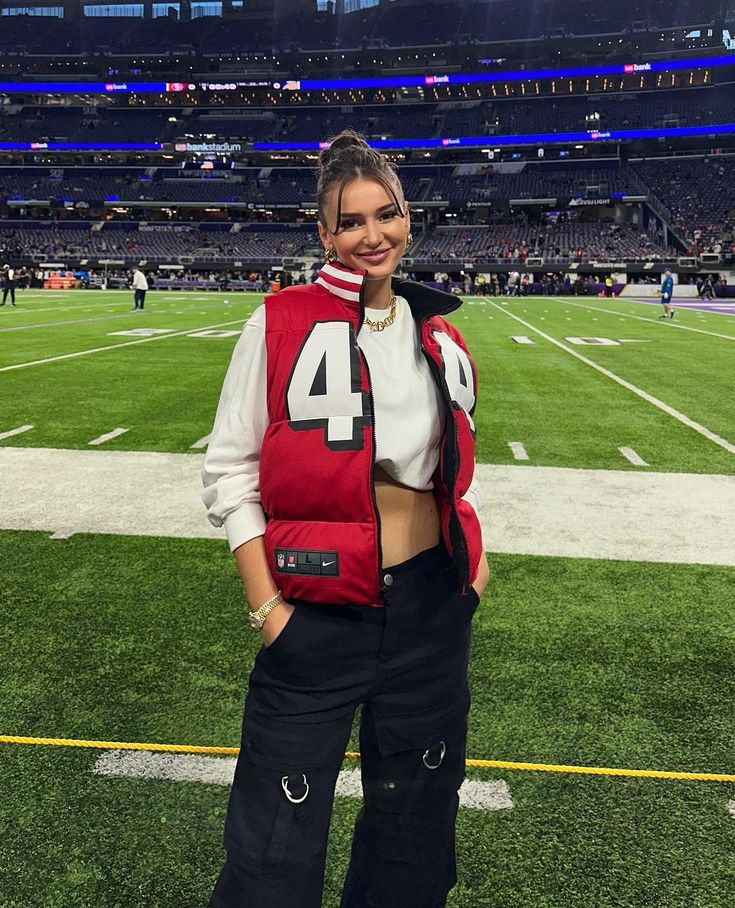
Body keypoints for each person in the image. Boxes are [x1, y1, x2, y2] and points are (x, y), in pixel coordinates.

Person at [201, 130, 488, 908]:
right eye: (351, 221)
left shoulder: (441, 332)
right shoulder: (281, 322)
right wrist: (267, 608)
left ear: (407, 217)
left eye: (385, 215)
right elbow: (230, 471)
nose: (373, 236)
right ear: (324, 233)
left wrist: (472, 564)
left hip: (430, 614)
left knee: (414, 834)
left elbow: (453, 469)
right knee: (271, 846)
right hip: (318, 615)